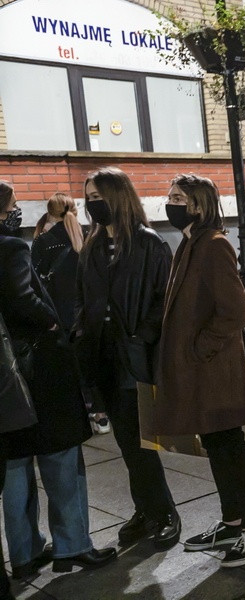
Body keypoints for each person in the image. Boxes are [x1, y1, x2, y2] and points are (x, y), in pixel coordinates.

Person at [0, 181, 117, 578]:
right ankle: (72, 545)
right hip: (37, 367)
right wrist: (52, 322)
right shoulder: (11, 246)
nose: (16, 212)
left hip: (5, 377)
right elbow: (22, 297)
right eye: (13, 206)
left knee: (15, 464)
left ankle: (24, 553)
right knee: (62, 456)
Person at [150, 174, 245, 568]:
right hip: (202, 371)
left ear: (198, 205)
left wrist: (199, 349)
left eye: (178, 196)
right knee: (217, 447)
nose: (170, 202)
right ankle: (232, 522)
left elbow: (235, 309)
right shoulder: (190, 243)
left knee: (231, 447)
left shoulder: (213, 245)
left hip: (215, 370)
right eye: (169, 195)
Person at [73, 167, 181, 548]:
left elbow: (163, 302)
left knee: (141, 444)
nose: (91, 203)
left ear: (117, 197)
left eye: (98, 196)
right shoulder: (93, 245)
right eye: (87, 197)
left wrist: (141, 336)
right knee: (125, 443)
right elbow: (84, 300)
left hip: (135, 357)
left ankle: (164, 512)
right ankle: (146, 509)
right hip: (102, 356)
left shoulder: (149, 244)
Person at [31, 193, 109, 436]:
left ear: (49, 212)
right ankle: (101, 414)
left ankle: (79, 414)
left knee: (68, 365)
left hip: (58, 313)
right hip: (86, 310)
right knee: (90, 360)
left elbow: (33, 280)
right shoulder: (89, 236)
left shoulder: (44, 241)